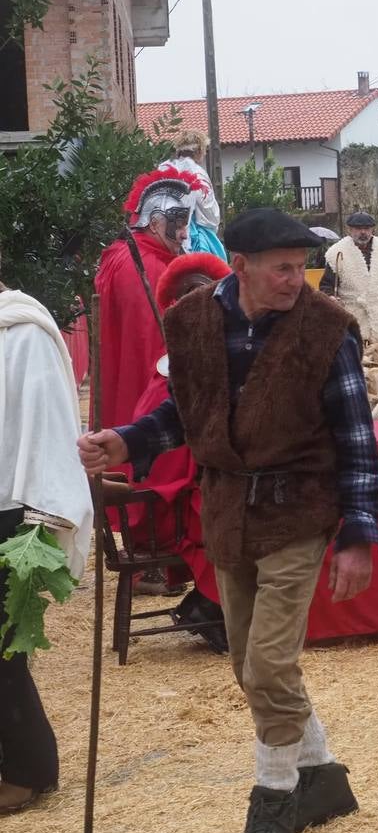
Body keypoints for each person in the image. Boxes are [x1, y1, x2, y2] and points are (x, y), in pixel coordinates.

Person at [78, 208, 378, 833]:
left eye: (300, 266)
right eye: (280, 268)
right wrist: (124, 442)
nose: (295, 280)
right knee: (251, 664)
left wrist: (359, 531)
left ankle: (275, 805)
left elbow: (357, 438)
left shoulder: (327, 331)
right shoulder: (189, 323)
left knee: (267, 665)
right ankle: (324, 777)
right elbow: (185, 414)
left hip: (299, 512)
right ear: (239, 266)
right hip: (226, 512)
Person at [0, 270, 93, 814]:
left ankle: (27, 770)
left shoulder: (22, 329)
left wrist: (44, 513)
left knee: (5, 649)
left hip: (13, 509)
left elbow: (46, 427)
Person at [121, 251, 234, 652]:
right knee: (236, 515)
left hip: (190, 492)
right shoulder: (171, 375)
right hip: (165, 507)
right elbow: (164, 466)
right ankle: (212, 610)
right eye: (192, 297)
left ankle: (212, 608)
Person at [96, 167, 197, 435]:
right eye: (179, 224)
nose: (185, 234)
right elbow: (154, 346)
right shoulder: (146, 265)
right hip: (146, 395)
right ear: (154, 223)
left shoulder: (124, 253)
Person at [320, 212, 378, 342]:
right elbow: (326, 285)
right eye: (358, 229)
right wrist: (330, 297)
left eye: (366, 228)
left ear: (372, 229)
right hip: (352, 315)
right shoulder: (336, 253)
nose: (363, 232)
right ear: (349, 230)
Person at [159, 131, 227, 259]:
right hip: (192, 235)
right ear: (200, 151)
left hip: (160, 232)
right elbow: (209, 214)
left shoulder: (163, 168)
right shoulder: (198, 173)